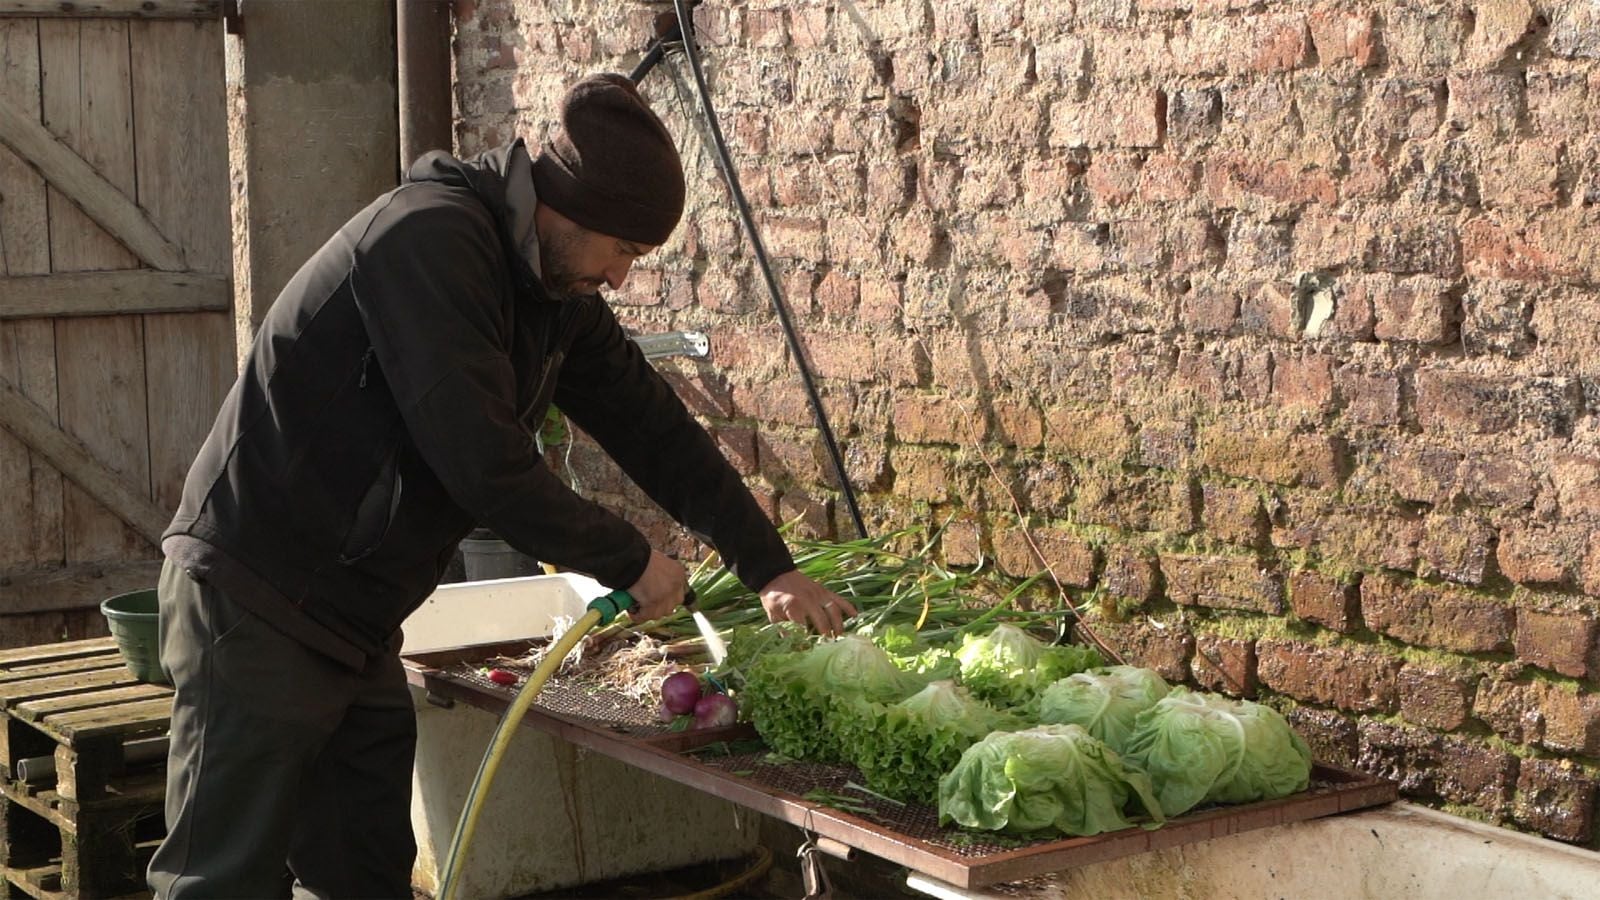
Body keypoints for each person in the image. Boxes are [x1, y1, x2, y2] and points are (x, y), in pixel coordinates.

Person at [148, 72, 855, 898]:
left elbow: (653, 428)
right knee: (220, 880)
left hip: (353, 619)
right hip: (258, 596)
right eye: (624, 251)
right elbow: (480, 461)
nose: (622, 278)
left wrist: (768, 566)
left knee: (363, 876)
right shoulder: (428, 241)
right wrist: (629, 559)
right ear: (569, 210)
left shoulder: (552, 292)